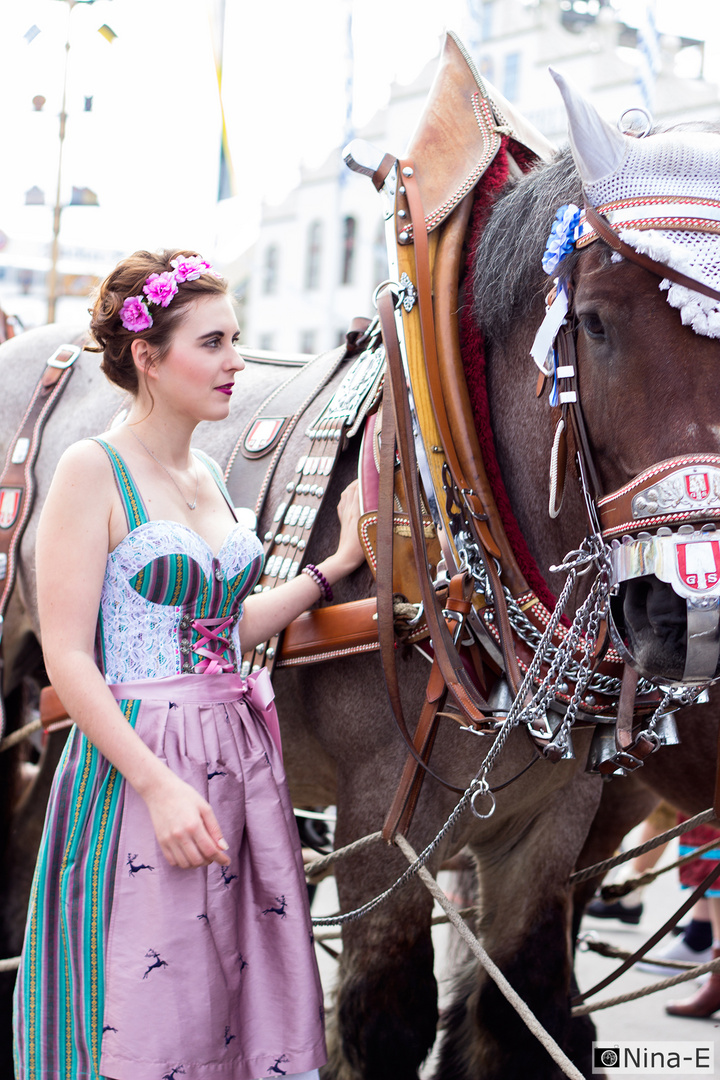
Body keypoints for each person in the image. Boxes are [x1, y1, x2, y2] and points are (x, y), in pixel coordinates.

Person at [12, 250, 366, 1080]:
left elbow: (225, 626)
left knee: (238, 998)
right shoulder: (89, 470)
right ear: (147, 354)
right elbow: (68, 657)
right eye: (212, 342)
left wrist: (333, 567)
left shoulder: (206, 472)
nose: (236, 362)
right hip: (146, 767)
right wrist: (156, 785)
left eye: (236, 340)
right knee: (155, 1004)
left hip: (238, 759)